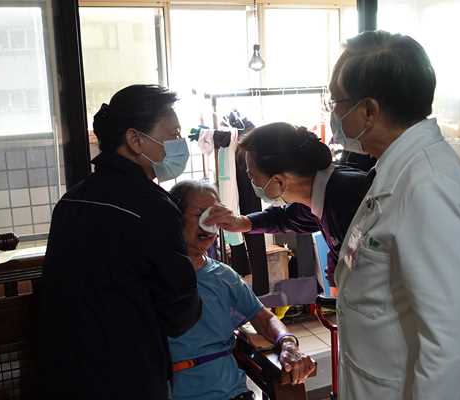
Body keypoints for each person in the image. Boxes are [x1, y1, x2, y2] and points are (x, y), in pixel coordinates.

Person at [328, 31, 460, 399]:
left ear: (368, 111)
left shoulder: (428, 186)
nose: (334, 114)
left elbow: (450, 345)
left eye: (336, 102)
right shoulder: (396, 171)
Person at [39, 85, 202, 399]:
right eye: (172, 134)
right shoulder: (152, 206)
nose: (179, 143)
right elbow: (179, 312)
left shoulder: (72, 200)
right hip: (128, 372)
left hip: (63, 370)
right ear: (135, 139)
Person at [168, 180, 315, 400]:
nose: (209, 224)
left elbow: (264, 318)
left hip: (230, 393)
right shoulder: (155, 275)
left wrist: (287, 343)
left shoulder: (223, 276)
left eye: (215, 215)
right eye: (200, 214)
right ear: (175, 217)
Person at [205, 122, 374, 295]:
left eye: (252, 176)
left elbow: (366, 268)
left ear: (278, 181)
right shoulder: (320, 194)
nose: (252, 182)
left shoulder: (346, 199)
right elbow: (285, 218)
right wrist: (241, 222)